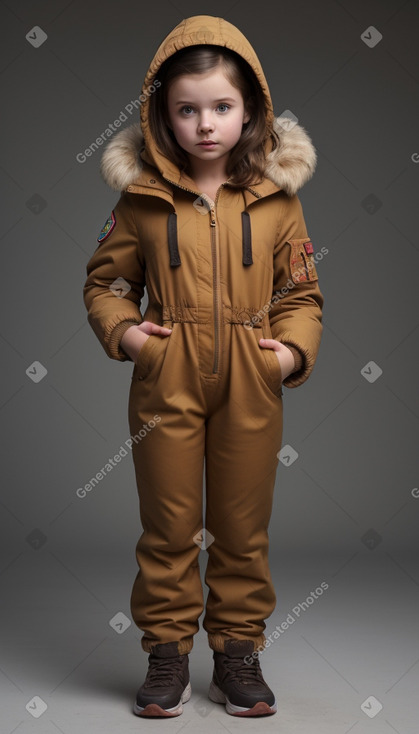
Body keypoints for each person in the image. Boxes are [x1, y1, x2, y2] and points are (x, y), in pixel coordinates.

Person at [83, 14, 324, 719]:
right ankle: (166, 652)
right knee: (168, 524)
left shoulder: (278, 200)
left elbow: (301, 292)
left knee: (241, 526)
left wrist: (291, 352)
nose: (205, 124)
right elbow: (105, 284)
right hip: (168, 376)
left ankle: (237, 654)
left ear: (250, 108)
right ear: (162, 114)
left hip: (252, 376)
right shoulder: (141, 200)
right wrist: (130, 337)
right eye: (186, 109)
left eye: (220, 106)